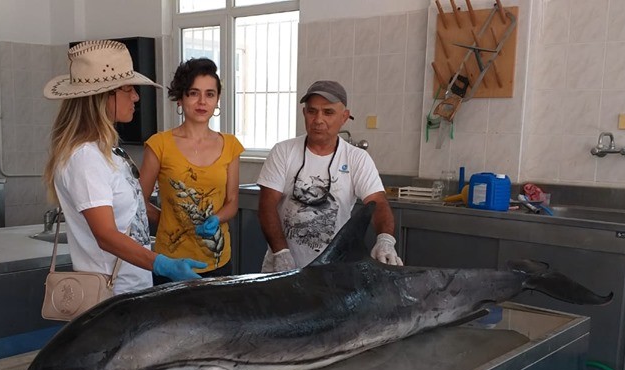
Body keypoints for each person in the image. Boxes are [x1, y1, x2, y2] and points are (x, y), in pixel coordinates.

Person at [42, 40, 206, 294]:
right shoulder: (85, 158)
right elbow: (106, 234)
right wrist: (162, 264)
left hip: (131, 290)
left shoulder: (108, 151)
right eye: (128, 89)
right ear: (102, 97)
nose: (136, 97)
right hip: (110, 296)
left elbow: (131, 212)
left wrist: (176, 224)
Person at [257, 80, 402, 272]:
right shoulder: (283, 151)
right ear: (304, 113)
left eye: (328, 112)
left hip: (333, 272)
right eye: (312, 111)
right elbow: (267, 205)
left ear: (344, 117)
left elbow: (378, 202)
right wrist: (281, 253)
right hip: (281, 268)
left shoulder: (356, 158)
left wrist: (385, 240)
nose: (318, 119)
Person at [139, 58, 244, 285]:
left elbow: (232, 201)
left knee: (218, 320)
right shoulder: (159, 144)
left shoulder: (231, 145)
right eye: (193, 93)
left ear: (217, 100)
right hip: (170, 262)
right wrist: (168, 221)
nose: (202, 101)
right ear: (180, 97)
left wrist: (217, 218)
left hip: (218, 260)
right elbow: (137, 202)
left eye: (209, 94)